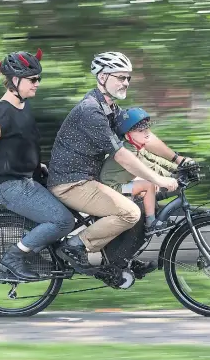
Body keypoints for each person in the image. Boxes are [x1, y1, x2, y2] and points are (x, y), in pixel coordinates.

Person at [47, 51, 194, 277]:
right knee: (130, 213)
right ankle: (75, 245)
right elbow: (121, 156)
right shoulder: (91, 110)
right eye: (120, 77)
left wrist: (178, 160)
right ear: (102, 78)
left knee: (144, 204)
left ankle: (118, 261)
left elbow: (141, 134)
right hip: (71, 183)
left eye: (128, 78)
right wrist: (158, 179)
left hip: (89, 180)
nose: (125, 82)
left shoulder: (110, 109)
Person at [0, 49, 74, 281]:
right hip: (9, 185)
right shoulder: (1, 113)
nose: (37, 84)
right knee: (63, 221)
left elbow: (17, 145)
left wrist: (36, 165)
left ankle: (32, 252)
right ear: (15, 80)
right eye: (33, 80)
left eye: (38, 79)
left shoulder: (23, 107)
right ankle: (13, 257)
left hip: (27, 179)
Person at [99, 107, 180, 236]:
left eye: (147, 129)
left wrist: (178, 167)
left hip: (119, 184)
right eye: (141, 130)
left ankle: (152, 215)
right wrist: (169, 176)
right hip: (113, 188)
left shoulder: (136, 147)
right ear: (127, 135)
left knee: (148, 190)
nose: (147, 133)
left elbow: (154, 160)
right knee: (149, 185)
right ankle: (151, 223)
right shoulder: (127, 151)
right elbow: (148, 167)